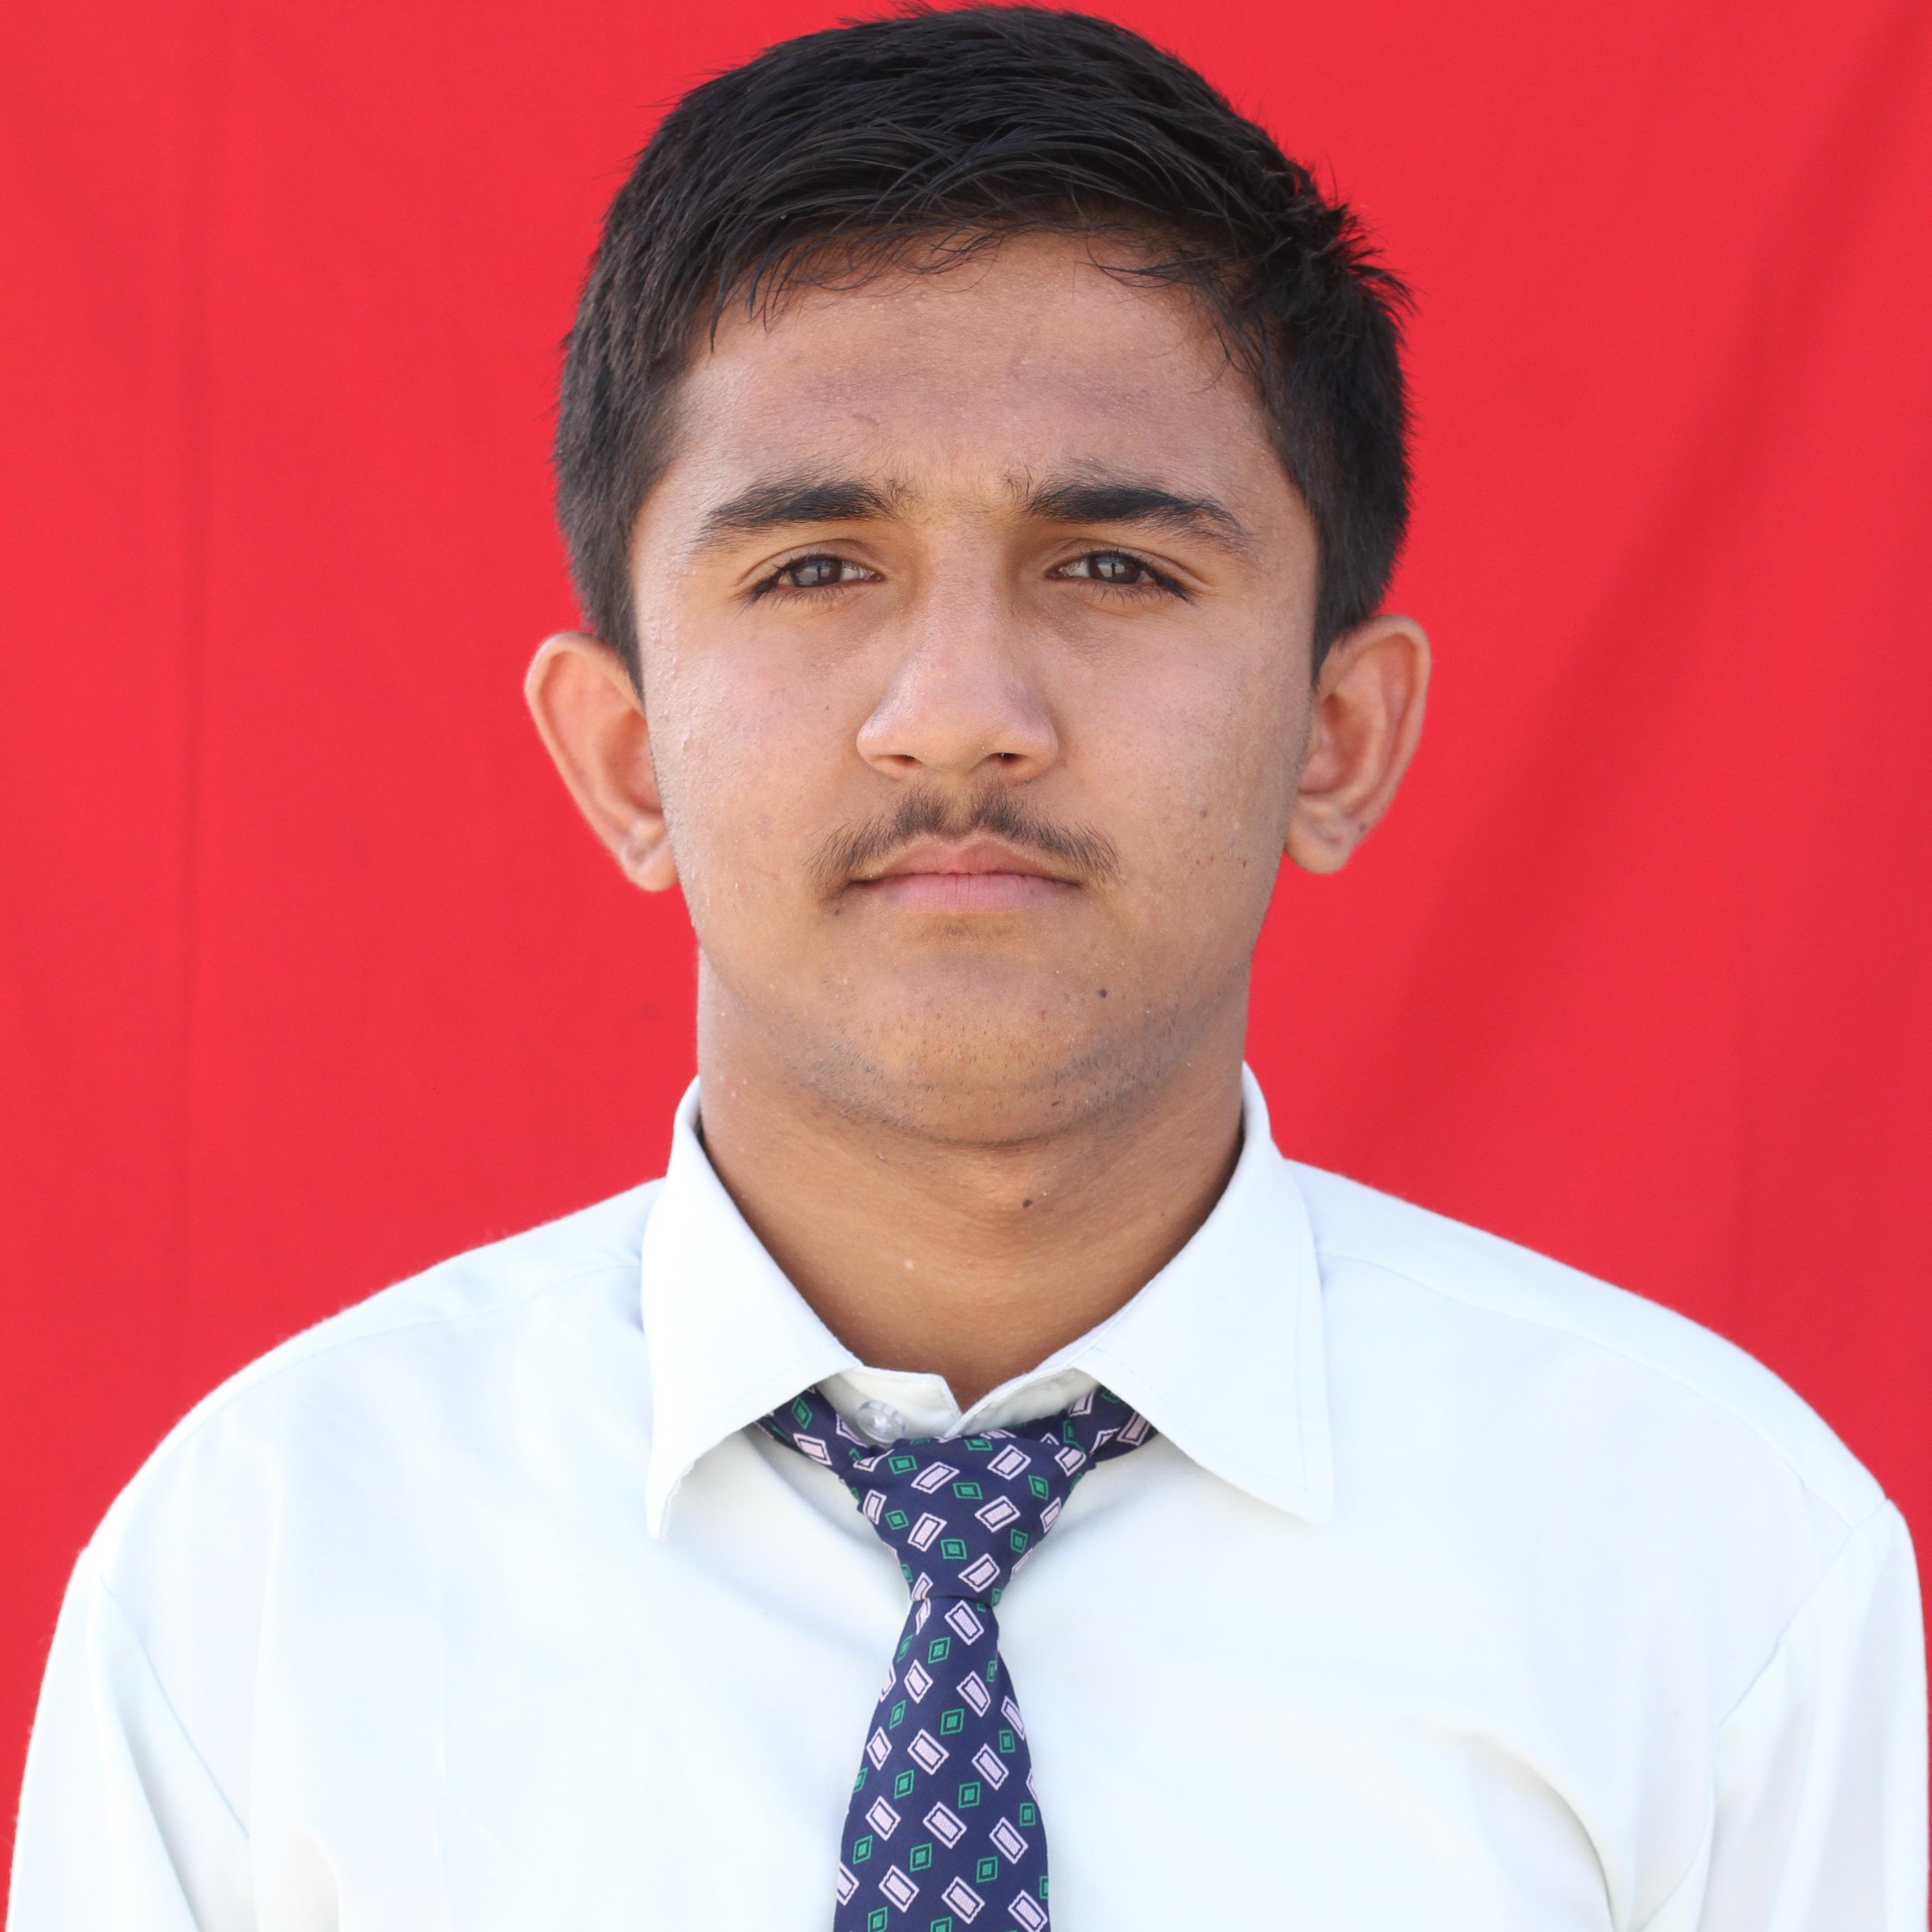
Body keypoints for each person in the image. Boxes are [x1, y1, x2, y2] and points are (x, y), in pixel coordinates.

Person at [10, 7, 1924, 1928]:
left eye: (1114, 567)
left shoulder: (1713, 1570)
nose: (957, 712)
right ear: (626, 755)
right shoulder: (266, 1580)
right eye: (815, 568)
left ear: (1337, 737)